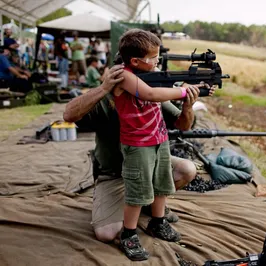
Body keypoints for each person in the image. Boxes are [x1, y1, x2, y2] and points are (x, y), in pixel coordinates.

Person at [63, 65, 214, 258]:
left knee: (186, 169)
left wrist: (187, 105)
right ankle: (131, 206)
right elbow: (68, 114)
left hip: (150, 163)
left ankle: (150, 208)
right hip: (114, 174)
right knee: (107, 233)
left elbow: (183, 124)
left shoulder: (151, 96)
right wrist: (103, 88)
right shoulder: (106, 99)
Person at [111, 28, 211, 261]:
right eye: (153, 58)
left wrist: (198, 90)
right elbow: (150, 94)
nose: (157, 62)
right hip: (137, 145)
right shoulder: (123, 75)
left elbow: (163, 88)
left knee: (161, 184)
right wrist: (182, 90)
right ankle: (128, 234)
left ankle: (158, 221)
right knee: (138, 192)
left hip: (159, 140)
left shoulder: (148, 72)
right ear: (135, 61)